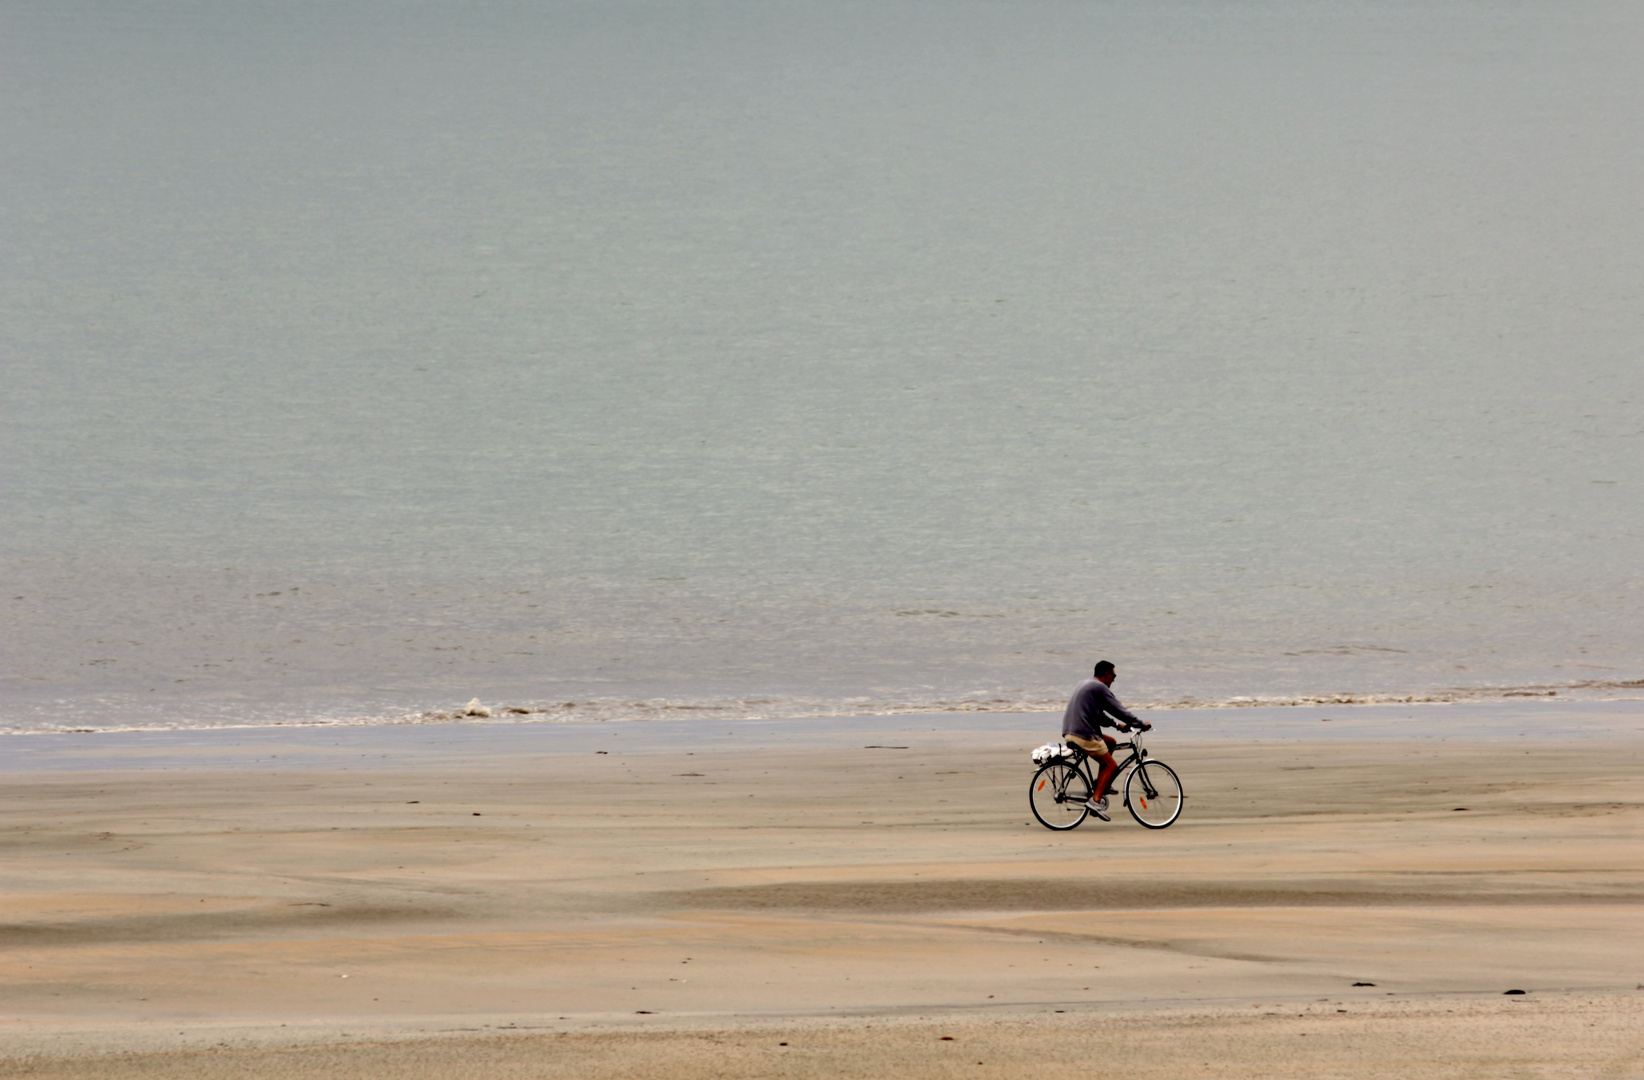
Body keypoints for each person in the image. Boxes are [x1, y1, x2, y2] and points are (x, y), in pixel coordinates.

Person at [1060, 660, 1150, 821]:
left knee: (1111, 743)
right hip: (1083, 734)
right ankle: (1095, 800)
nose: (1114, 679)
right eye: (1113, 675)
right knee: (1112, 765)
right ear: (1106, 674)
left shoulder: (1086, 683)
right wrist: (1140, 724)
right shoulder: (1100, 687)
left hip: (1070, 731)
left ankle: (1101, 784)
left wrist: (1116, 726)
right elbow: (1119, 710)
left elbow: (1098, 715)